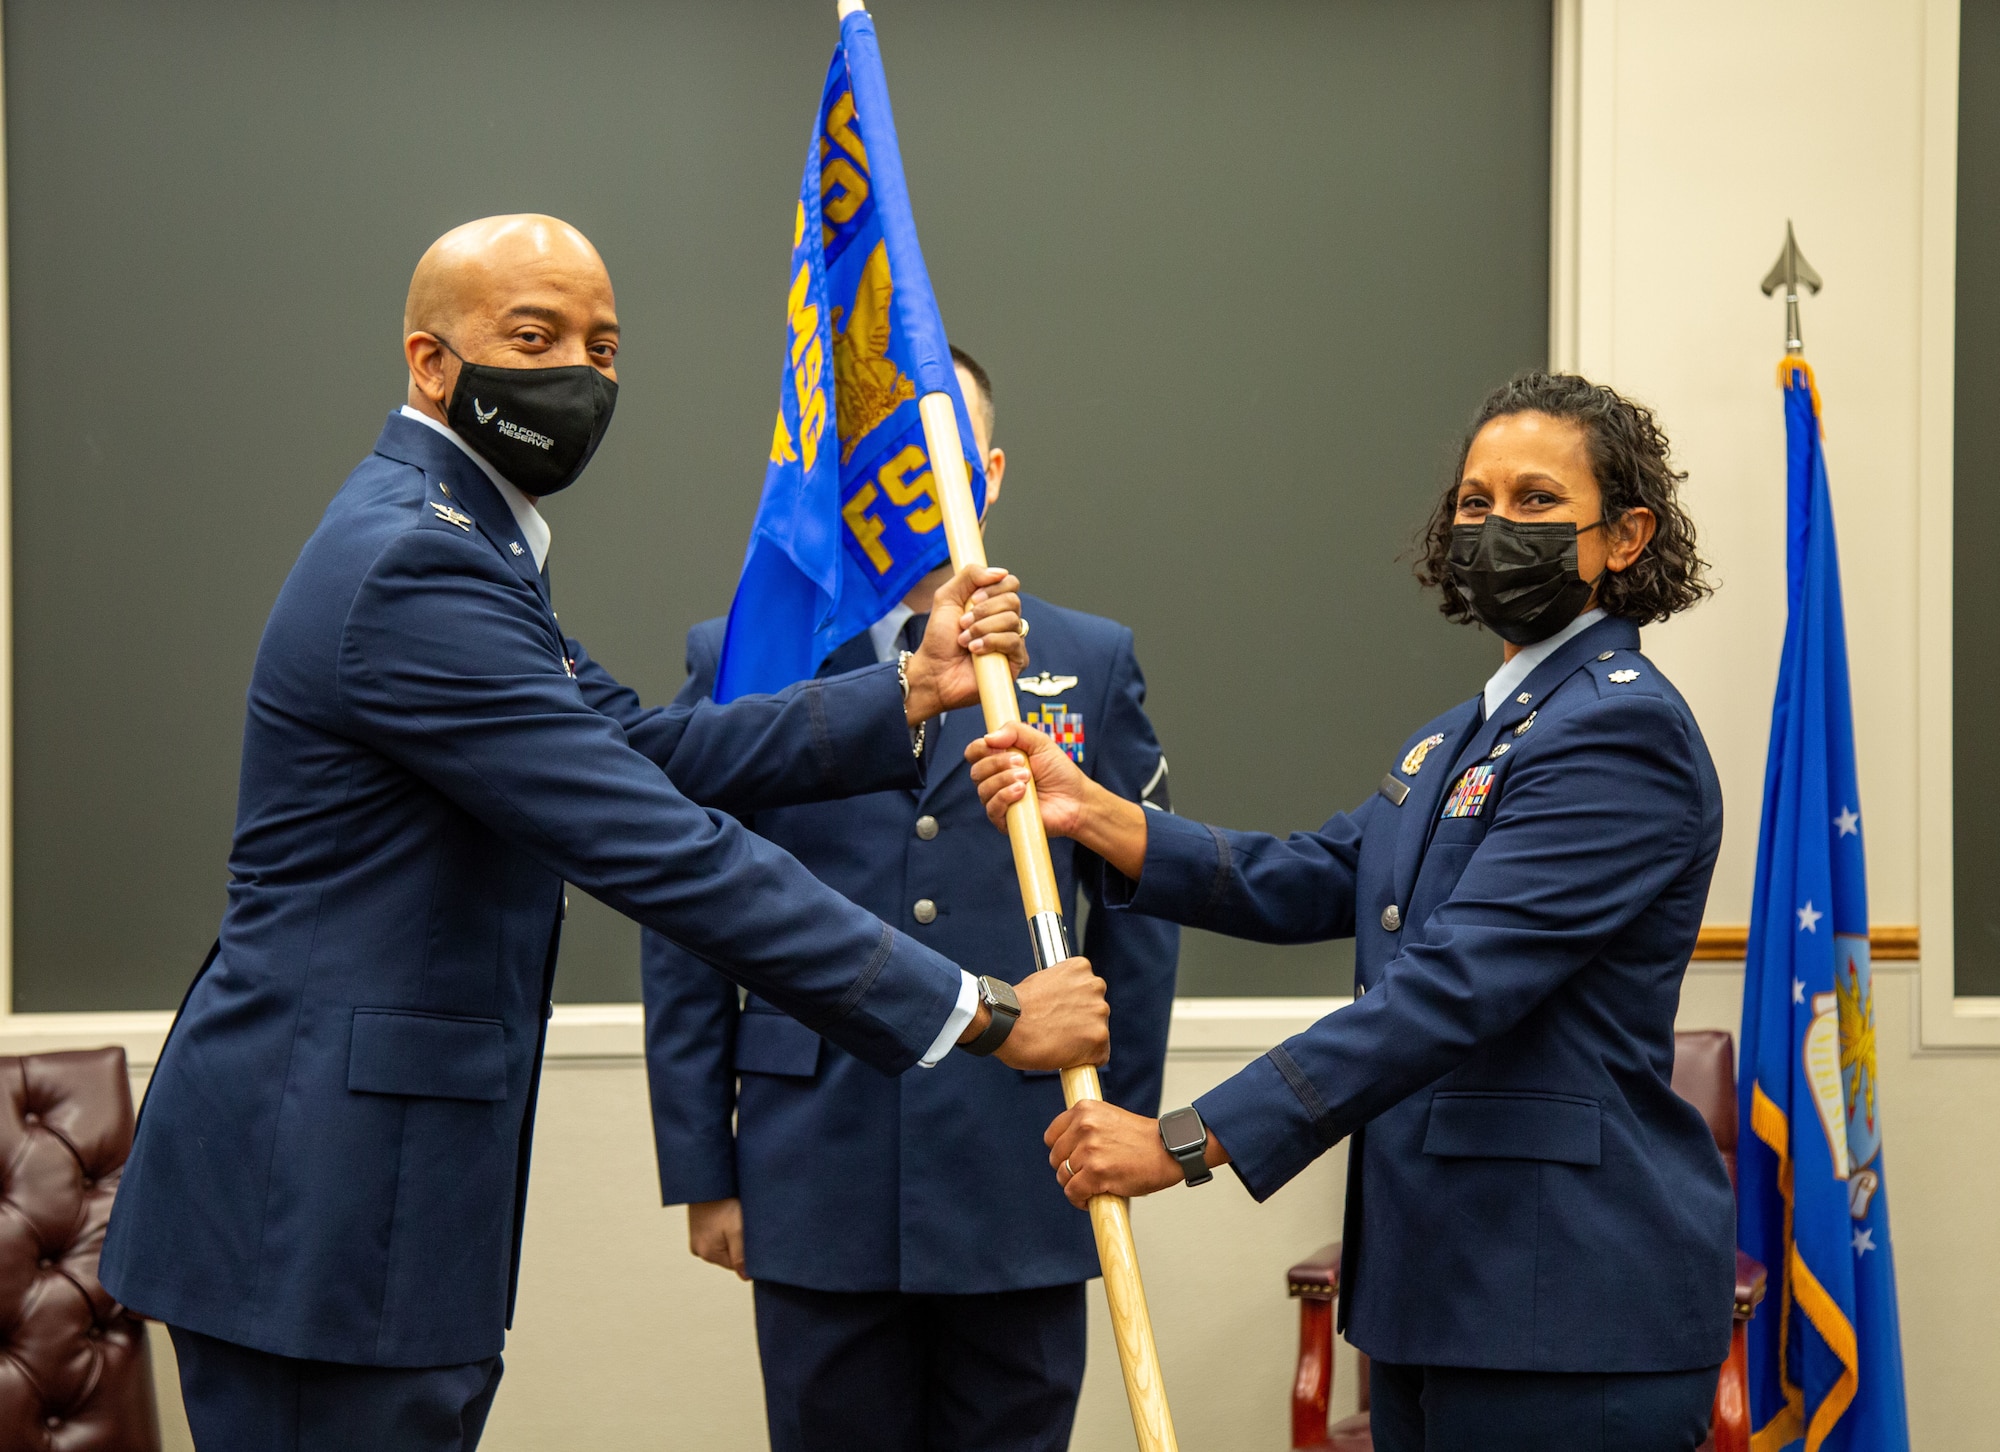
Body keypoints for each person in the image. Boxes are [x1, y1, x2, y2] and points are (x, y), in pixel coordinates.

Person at [98, 215, 1111, 1452]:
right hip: (312, 1204)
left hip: (365, 1201)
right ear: (430, 362)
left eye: (603, 344)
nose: (578, 373)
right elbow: (661, 844)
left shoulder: (464, 549)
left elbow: (640, 753)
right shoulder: (419, 565)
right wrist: (984, 1015)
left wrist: (905, 690)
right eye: (534, 337)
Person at [970, 373, 1736, 1452]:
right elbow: (1326, 874)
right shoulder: (1457, 737)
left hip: (1565, 1311)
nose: (1493, 527)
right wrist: (1100, 818)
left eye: (1533, 502)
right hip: (1437, 1296)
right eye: (1473, 504)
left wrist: (1186, 1142)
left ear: (1624, 536)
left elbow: (1448, 990)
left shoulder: (1620, 736)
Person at [642, 346, 1179, 1452]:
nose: (915, 484)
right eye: (885, 458)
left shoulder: (1088, 660)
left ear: (985, 474)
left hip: (1023, 1168)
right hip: (812, 1163)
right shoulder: (750, 660)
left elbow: (1137, 908)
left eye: (939, 457)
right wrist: (703, 1168)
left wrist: (1117, 1121)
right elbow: (683, 914)